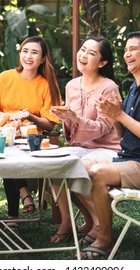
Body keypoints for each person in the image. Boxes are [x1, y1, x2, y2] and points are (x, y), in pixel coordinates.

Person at [77, 31, 140, 259]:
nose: (127, 54)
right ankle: (95, 224)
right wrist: (113, 117)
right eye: (125, 50)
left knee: (97, 173)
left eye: (133, 49)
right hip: (129, 158)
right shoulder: (135, 86)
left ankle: (104, 240)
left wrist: (119, 114)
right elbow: (124, 133)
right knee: (74, 168)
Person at [0, 36, 61, 229]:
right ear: (20, 54)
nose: (28, 56)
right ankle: (24, 194)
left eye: (35, 52)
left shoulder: (47, 84)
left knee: (8, 155)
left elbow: (50, 124)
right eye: (25, 51)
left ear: (43, 59)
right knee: (4, 149)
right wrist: (10, 117)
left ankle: (13, 213)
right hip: (4, 134)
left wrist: (31, 117)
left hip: (31, 140)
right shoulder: (5, 77)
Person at [49, 36, 122, 244]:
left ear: (102, 63)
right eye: (82, 50)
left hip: (108, 149)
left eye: (91, 53)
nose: (83, 55)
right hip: (82, 146)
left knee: (75, 167)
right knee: (51, 164)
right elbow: (72, 132)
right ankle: (67, 221)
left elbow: (102, 128)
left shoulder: (109, 88)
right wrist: (65, 118)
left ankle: (98, 223)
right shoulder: (71, 85)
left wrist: (75, 118)